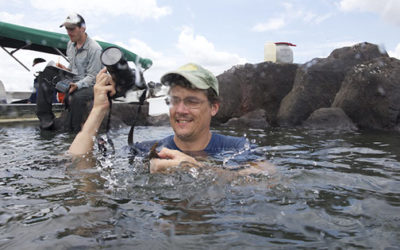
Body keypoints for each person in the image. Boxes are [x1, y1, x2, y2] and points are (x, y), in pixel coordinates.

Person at [69, 63, 274, 175]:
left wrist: (196, 169)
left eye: (192, 101)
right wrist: (98, 110)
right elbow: (74, 164)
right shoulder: (143, 150)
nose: (180, 110)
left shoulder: (239, 148)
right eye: (175, 101)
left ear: (214, 108)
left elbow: (271, 180)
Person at [36, 13, 103, 132]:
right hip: (74, 81)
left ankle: (74, 131)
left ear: (83, 28)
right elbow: (73, 67)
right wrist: (65, 69)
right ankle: (46, 120)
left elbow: (93, 77)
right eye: (67, 28)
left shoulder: (95, 49)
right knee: (45, 75)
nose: (68, 32)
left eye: (72, 28)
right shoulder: (70, 45)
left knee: (77, 97)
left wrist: (77, 85)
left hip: (91, 86)